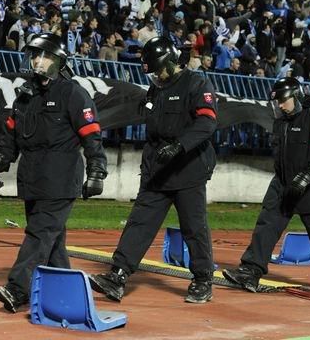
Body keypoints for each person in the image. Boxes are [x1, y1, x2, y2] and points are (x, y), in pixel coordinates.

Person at [89, 36, 218, 304]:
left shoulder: (196, 83)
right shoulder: (156, 88)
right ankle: (118, 275)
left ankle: (203, 279)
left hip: (188, 168)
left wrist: (180, 146)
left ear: (170, 62)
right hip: (157, 169)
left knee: (193, 227)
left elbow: (207, 124)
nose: (156, 76)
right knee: (139, 223)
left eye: (158, 69)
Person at [0, 33, 108, 313]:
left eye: (45, 56)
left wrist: (97, 170)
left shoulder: (73, 93)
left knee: (39, 234)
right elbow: (10, 137)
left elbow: (91, 134)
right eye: (35, 56)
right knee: (52, 242)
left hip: (61, 177)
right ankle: (66, 291)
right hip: (31, 177)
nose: (38, 61)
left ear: (58, 61)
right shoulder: (25, 96)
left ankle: (18, 289)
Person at [223, 77, 310, 294]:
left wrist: (306, 177)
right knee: (267, 224)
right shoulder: (280, 121)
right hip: (282, 182)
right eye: (276, 101)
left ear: (296, 96)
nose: (279, 105)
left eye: (283, 100)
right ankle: (250, 271)